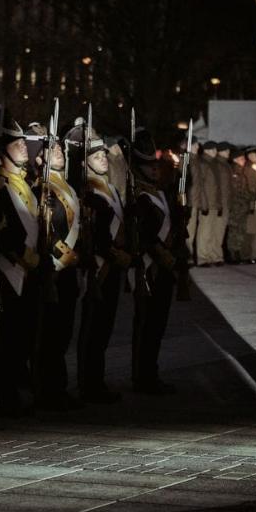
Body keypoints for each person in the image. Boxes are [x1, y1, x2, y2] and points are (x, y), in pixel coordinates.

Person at [0, 107, 38, 417]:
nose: (25, 147)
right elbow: (0, 229)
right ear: (2, 153)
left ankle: (11, 388)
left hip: (25, 272)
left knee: (19, 337)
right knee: (2, 340)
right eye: (18, 144)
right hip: (6, 269)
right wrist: (21, 255)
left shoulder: (23, 184)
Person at [33, 121, 82, 410]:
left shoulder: (67, 186)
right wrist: (65, 255)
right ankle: (46, 389)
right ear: (39, 158)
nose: (59, 151)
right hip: (53, 267)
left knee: (63, 332)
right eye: (51, 149)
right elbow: (45, 230)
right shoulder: (43, 187)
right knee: (49, 334)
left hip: (68, 270)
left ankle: (58, 386)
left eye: (60, 147)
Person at [78, 131, 127, 403]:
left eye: (103, 155)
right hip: (100, 266)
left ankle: (98, 380)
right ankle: (88, 383)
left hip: (113, 264)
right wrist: (111, 252)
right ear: (85, 163)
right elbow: (93, 233)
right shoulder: (89, 190)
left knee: (104, 327)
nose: (103, 159)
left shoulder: (112, 188)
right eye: (96, 156)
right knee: (92, 327)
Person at [129, 128, 177, 394]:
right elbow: (145, 234)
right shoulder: (140, 195)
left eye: (155, 165)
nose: (154, 169)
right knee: (146, 324)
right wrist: (162, 255)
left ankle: (151, 371)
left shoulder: (159, 193)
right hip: (149, 267)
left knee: (158, 324)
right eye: (148, 165)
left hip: (165, 268)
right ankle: (141, 375)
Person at [195, 141, 222, 266]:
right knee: (205, 232)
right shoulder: (203, 164)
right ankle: (202, 257)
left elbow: (217, 187)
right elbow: (201, 186)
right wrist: (204, 204)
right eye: (214, 149)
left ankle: (211, 256)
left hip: (214, 203)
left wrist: (219, 203)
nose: (216, 151)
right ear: (208, 150)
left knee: (212, 231)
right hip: (208, 203)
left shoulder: (213, 164)